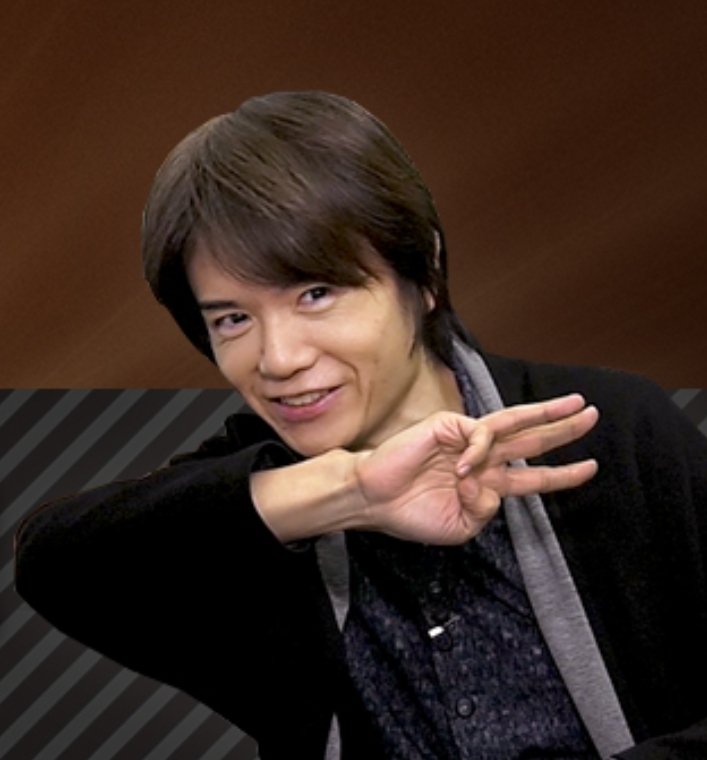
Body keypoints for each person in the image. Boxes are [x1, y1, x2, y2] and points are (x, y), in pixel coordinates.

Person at [14, 91, 707, 760]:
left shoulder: (611, 429)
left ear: (423, 274)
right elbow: (55, 563)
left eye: (317, 293)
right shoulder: (253, 505)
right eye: (233, 318)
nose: (277, 358)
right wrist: (348, 492)